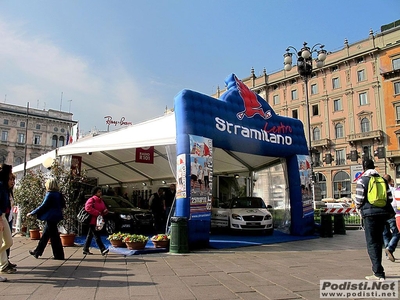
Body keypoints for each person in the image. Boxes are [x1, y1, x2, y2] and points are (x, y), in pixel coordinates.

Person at [355, 159, 394, 281]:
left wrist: (359, 208)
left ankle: (378, 272)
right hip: (383, 214)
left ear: (363, 168)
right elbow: (390, 198)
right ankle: (379, 270)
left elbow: (359, 200)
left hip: (369, 215)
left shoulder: (362, 180)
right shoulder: (382, 179)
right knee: (379, 241)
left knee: (372, 243)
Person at [27, 178, 65, 260]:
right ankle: (38, 252)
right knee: (47, 235)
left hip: (50, 217)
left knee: (52, 237)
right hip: (57, 216)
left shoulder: (50, 194)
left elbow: (43, 206)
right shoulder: (59, 194)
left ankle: (57, 255)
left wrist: (33, 212)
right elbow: (63, 205)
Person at [83, 186, 109, 256]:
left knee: (90, 235)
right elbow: (87, 208)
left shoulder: (101, 201)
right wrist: (97, 212)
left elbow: (103, 209)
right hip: (92, 221)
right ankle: (102, 249)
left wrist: (105, 211)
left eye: (100, 191)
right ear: (95, 193)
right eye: (99, 192)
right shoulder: (92, 200)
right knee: (96, 235)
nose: (100, 193)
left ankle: (85, 249)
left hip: (98, 221)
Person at [0, 164, 15, 281]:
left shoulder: (5, 188)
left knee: (8, 241)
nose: (12, 181)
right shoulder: (0, 186)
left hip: (4, 216)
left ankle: (3, 263)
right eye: (10, 178)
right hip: (0, 216)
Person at [382, 174, 399, 262]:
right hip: (392, 214)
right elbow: (395, 203)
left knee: (385, 234)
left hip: (382, 214)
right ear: (390, 181)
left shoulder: (380, 189)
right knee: (396, 233)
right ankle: (390, 248)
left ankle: (388, 254)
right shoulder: (393, 190)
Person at [6, 174, 16, 267]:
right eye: (11, 180)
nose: (13, 182)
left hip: (9, 218)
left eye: (13, 180)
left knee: (8, 241)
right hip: (4, 218)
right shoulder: (4, 191)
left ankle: (6, 259)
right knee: (6, 241)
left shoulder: (10, 191)